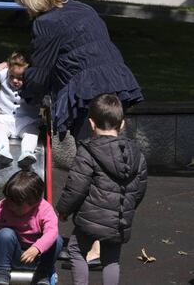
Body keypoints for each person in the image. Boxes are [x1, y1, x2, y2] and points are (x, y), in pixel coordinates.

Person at [14, 0, 144, 265]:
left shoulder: (46, 23)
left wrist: (27, 97)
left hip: (87, 93)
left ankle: (95, 247)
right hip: (115, 84)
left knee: (93, 167)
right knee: (111, 165)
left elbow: (42, 70)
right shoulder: (83, 9)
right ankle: (97, 240)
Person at [56, 94, 148, 285]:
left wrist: (64, 209)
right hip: (120, 219)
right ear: (122, 124)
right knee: (111, 260)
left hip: (90, 218)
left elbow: (76, 186)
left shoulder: (88, 151)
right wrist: (129, 206)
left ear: (91, 123)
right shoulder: (137, 154)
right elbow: (140, 188)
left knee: (76, 250)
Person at [0, 170, 63, 285]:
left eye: (16, 204)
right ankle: (2, 272)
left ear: (34, 203)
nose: (10, 205)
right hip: (14, 255)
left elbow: (51, 231)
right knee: (5, 234)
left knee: (57, 240)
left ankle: (42, 274)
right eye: (9, 200)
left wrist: (37, 248)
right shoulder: (3, 208)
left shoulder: (44, 209)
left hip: (38, 258)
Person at [0, 51, 41, 167]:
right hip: (5, 118)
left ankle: (27, 153)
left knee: (32, 133)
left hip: (26, 121)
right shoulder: (5, 73)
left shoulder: (33, 81)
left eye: (20, 78)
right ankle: (3, 150)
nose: (14, 80)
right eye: (12, 76)